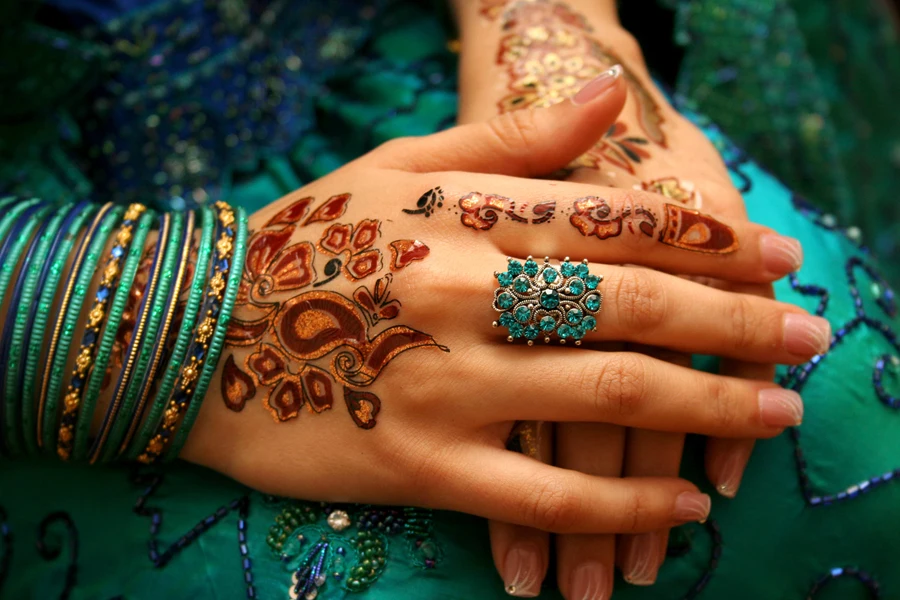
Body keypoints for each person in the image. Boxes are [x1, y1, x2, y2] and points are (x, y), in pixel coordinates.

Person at [0, 1, 897, 599]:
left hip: (417, 56)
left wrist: (551, 38)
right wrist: (174, 314)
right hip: (49, 275)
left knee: (824, 400)